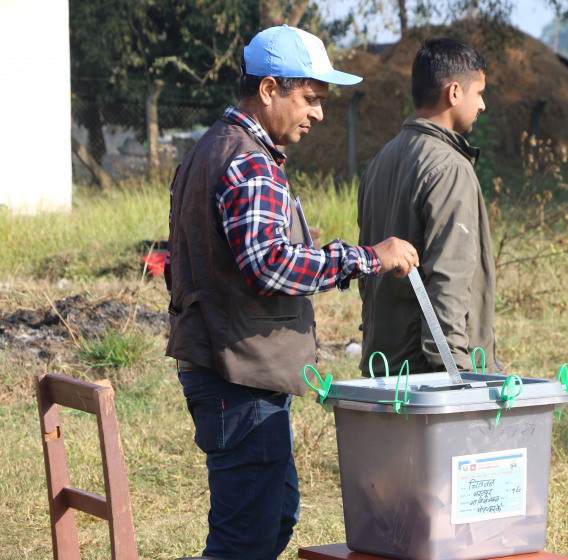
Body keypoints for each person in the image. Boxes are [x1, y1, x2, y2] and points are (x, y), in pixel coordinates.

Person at [164, 25, 418, 560]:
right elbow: (271, 266)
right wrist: (368, 258)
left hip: (228, 370)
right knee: (244, 543)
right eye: (309, 98)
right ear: (268, 89)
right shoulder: (251, 162)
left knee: (274, 519)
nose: (318, 113)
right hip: (238, 380)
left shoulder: (206, 150)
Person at [357, 38, 499, 377]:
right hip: (431, 378)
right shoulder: (450, 167)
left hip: (384, 367)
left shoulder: (379, 161)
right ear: (454, 93)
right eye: (478, 93)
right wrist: (461, 379)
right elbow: (448, 282)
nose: (482, 105)